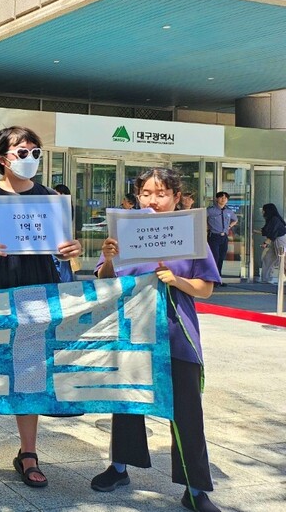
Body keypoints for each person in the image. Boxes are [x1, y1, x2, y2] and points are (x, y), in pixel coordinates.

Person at [0, 126, 82, 488]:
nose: (30, 160)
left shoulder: (50, 198)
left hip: (35, 287)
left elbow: (65, 247)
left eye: (35, 153)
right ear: (2, 158)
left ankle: (28, 451)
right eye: (22, 153)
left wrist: (72, 249)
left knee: (30, 368)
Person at [91, 167, 221, 512]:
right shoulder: (126, 230)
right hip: (133, 329)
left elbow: (205, 288)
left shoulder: (191, 234)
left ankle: (195, 488)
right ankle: (119, 467)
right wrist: (107, 257)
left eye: (161, 193)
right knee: (126, 401)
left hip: (177, 333)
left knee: (186, 410)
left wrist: (176, 280)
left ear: (177, 197)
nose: (153, 200)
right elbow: (105, 280)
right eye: (146, 193)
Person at [206, 191, 236, 285]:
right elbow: (202, 218)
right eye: (221, 197)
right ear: (217, 199)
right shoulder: (211, 210)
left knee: (221, 258)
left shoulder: (229, 211)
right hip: (214, 236)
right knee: (215, 257)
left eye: (225, 198)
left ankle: (218, 279)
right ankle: (212, 279)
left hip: (224, 237)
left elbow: (235, 220)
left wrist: (229, 227)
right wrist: (207, 227)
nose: (223, 199)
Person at [256, 203, 286, 284]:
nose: (262, 212)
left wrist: (266, 242)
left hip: (280, 240)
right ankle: (266, 278)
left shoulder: (274, 219)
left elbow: (273, 233)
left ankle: (266, 278)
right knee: (268, 259)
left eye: (263, 210)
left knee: (283, 260)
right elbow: (267, 231)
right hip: (276, 240)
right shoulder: (272, 219)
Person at [52, 184, 75, 283]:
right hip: (58, 241)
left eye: (56, 193)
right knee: (61, 265)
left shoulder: (65, 207)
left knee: (62, 265)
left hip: (61, 241)